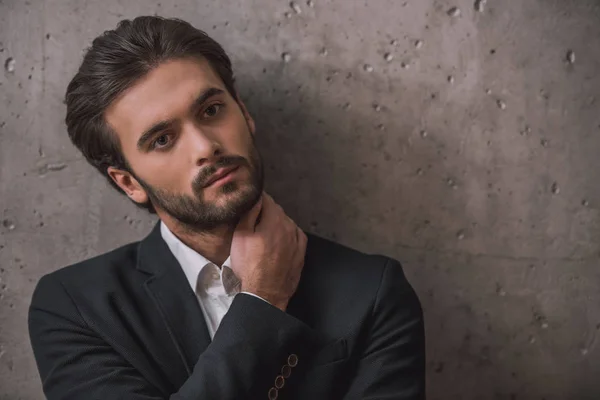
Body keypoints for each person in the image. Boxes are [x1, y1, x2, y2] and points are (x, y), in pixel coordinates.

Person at [27, 15, 425, 400]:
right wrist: (262, 302)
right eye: (163, 139)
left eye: (212, 110)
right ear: (129, 182)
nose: (205, 146)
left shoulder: (372, 291)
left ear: (244, 113)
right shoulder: (74, 309)